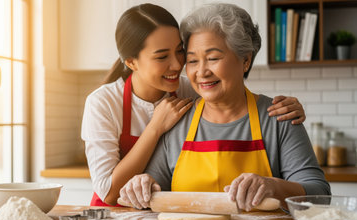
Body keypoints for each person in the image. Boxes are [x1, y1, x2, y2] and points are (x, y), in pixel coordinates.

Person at [81, 3, 307, 207]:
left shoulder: (190, 91)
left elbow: (229, 86)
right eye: (162, 57)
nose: (179, 65)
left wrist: (288, 108)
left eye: (180, 53)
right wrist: (154, 129)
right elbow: (110, 192)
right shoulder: (103, 102)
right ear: (131, 62)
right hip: (114, 214)